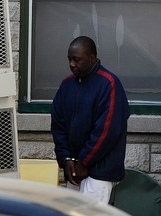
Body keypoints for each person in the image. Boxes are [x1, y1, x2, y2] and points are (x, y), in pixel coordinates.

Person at [51, 36, 130, 204]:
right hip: (74, 168)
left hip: (100, 171)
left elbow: (107, 131)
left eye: (77, 60)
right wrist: (66, 159)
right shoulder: (66, 85)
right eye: (69, 59)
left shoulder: (109, 83)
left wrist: (85, 162)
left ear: (92, 58)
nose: (72, 64)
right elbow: (58, 125)